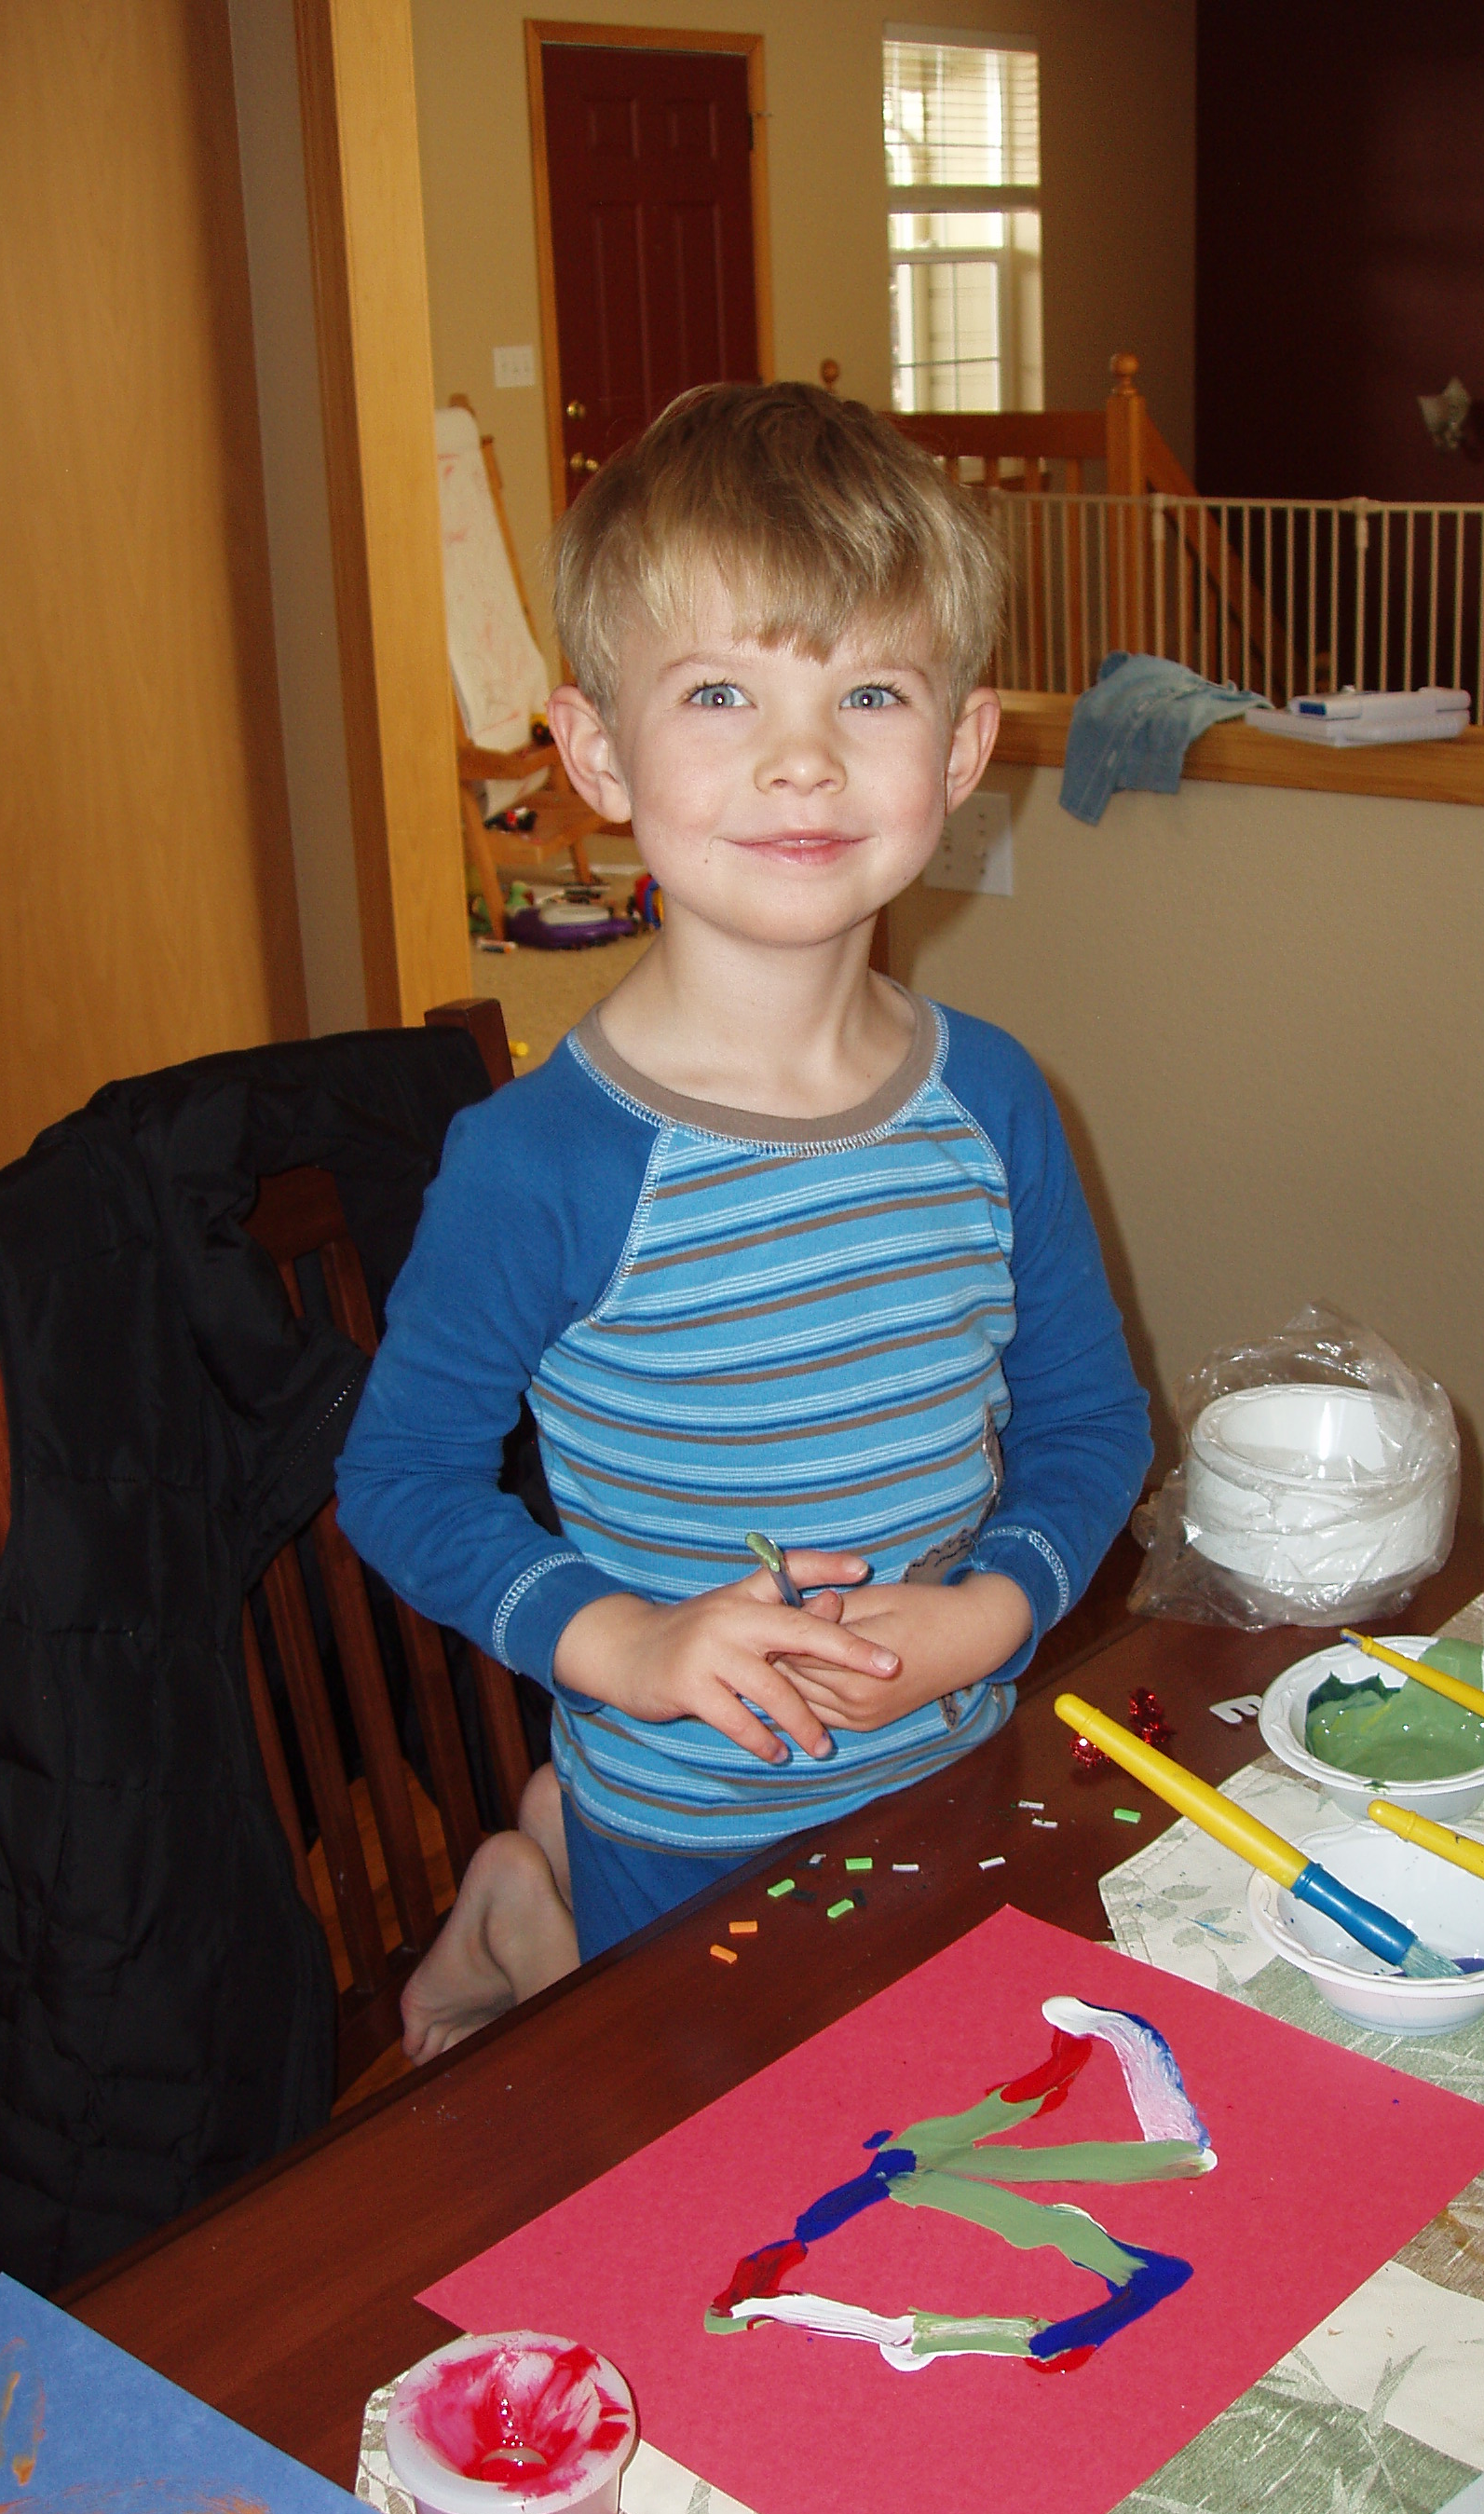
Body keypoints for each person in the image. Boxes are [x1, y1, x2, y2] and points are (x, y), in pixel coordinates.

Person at [337, 380, 1151, 2058]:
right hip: (683, 1822)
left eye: (871, 692)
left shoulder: (997, 1100)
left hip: (946, 1769)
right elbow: (399, 1480)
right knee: (714, 2133)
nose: (803, 756)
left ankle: (531, 1887)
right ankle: (544, 1901)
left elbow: (1090, 1421)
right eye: (721, 692)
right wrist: (625, 1644)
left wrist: (994, 1611)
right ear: (597, 754)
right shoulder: (541, 1164)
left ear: (962, 751)